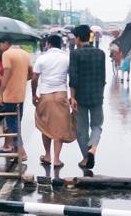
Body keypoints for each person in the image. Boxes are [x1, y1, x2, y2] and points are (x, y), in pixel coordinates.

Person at [31, 34, 75, 169]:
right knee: (60, 127)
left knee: (45, 125)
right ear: (61, 45)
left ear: (48, 44)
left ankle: (47, 155)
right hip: (61, 94)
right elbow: (72, 79)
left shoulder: (42, 59)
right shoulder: (66, 59)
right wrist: (72, 96)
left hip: (46, 95)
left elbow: (34, 79)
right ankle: (56, 159)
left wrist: (34, 95)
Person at [68, 24, 106, 173]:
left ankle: (85, 156)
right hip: (97, 95)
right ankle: (93, 149)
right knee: (97, 125)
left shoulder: (75, 54)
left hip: (80, 97)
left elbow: (73, 77)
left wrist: (72, 97)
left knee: (81, 129)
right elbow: (102, 76)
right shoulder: (100, 53)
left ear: (77, 38)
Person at [0, 44, 32, 161]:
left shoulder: (7, 54)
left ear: (5, 43)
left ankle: (21, 151)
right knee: (17, 122)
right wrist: (21, 79)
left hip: (9, 95)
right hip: (21, 95)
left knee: (12, 123)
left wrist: (0, 93)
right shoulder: (25, 54)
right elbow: (31, 73)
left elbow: (7, 73)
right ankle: (17, 150)